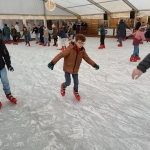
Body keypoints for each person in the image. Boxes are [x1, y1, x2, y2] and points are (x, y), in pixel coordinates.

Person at [47, 34, 99, 101]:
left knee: (76, 82)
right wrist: (52, 62)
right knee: (68, 82)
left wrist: (94, 65)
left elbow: (87, 59)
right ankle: (63, 86)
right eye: (79, 42)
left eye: (82, 43)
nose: (81, 45)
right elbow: (60, 55)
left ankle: (76, 91)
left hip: (75, 69)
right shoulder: (70, 48)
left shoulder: (82, 50)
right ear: (75, 41)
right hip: (67, 68)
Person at [0, 39, 17, 109]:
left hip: (1, 67)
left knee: (5, 81)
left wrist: (8, 65)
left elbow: (5, 53)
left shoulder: (0, 41)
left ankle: (8, 94)